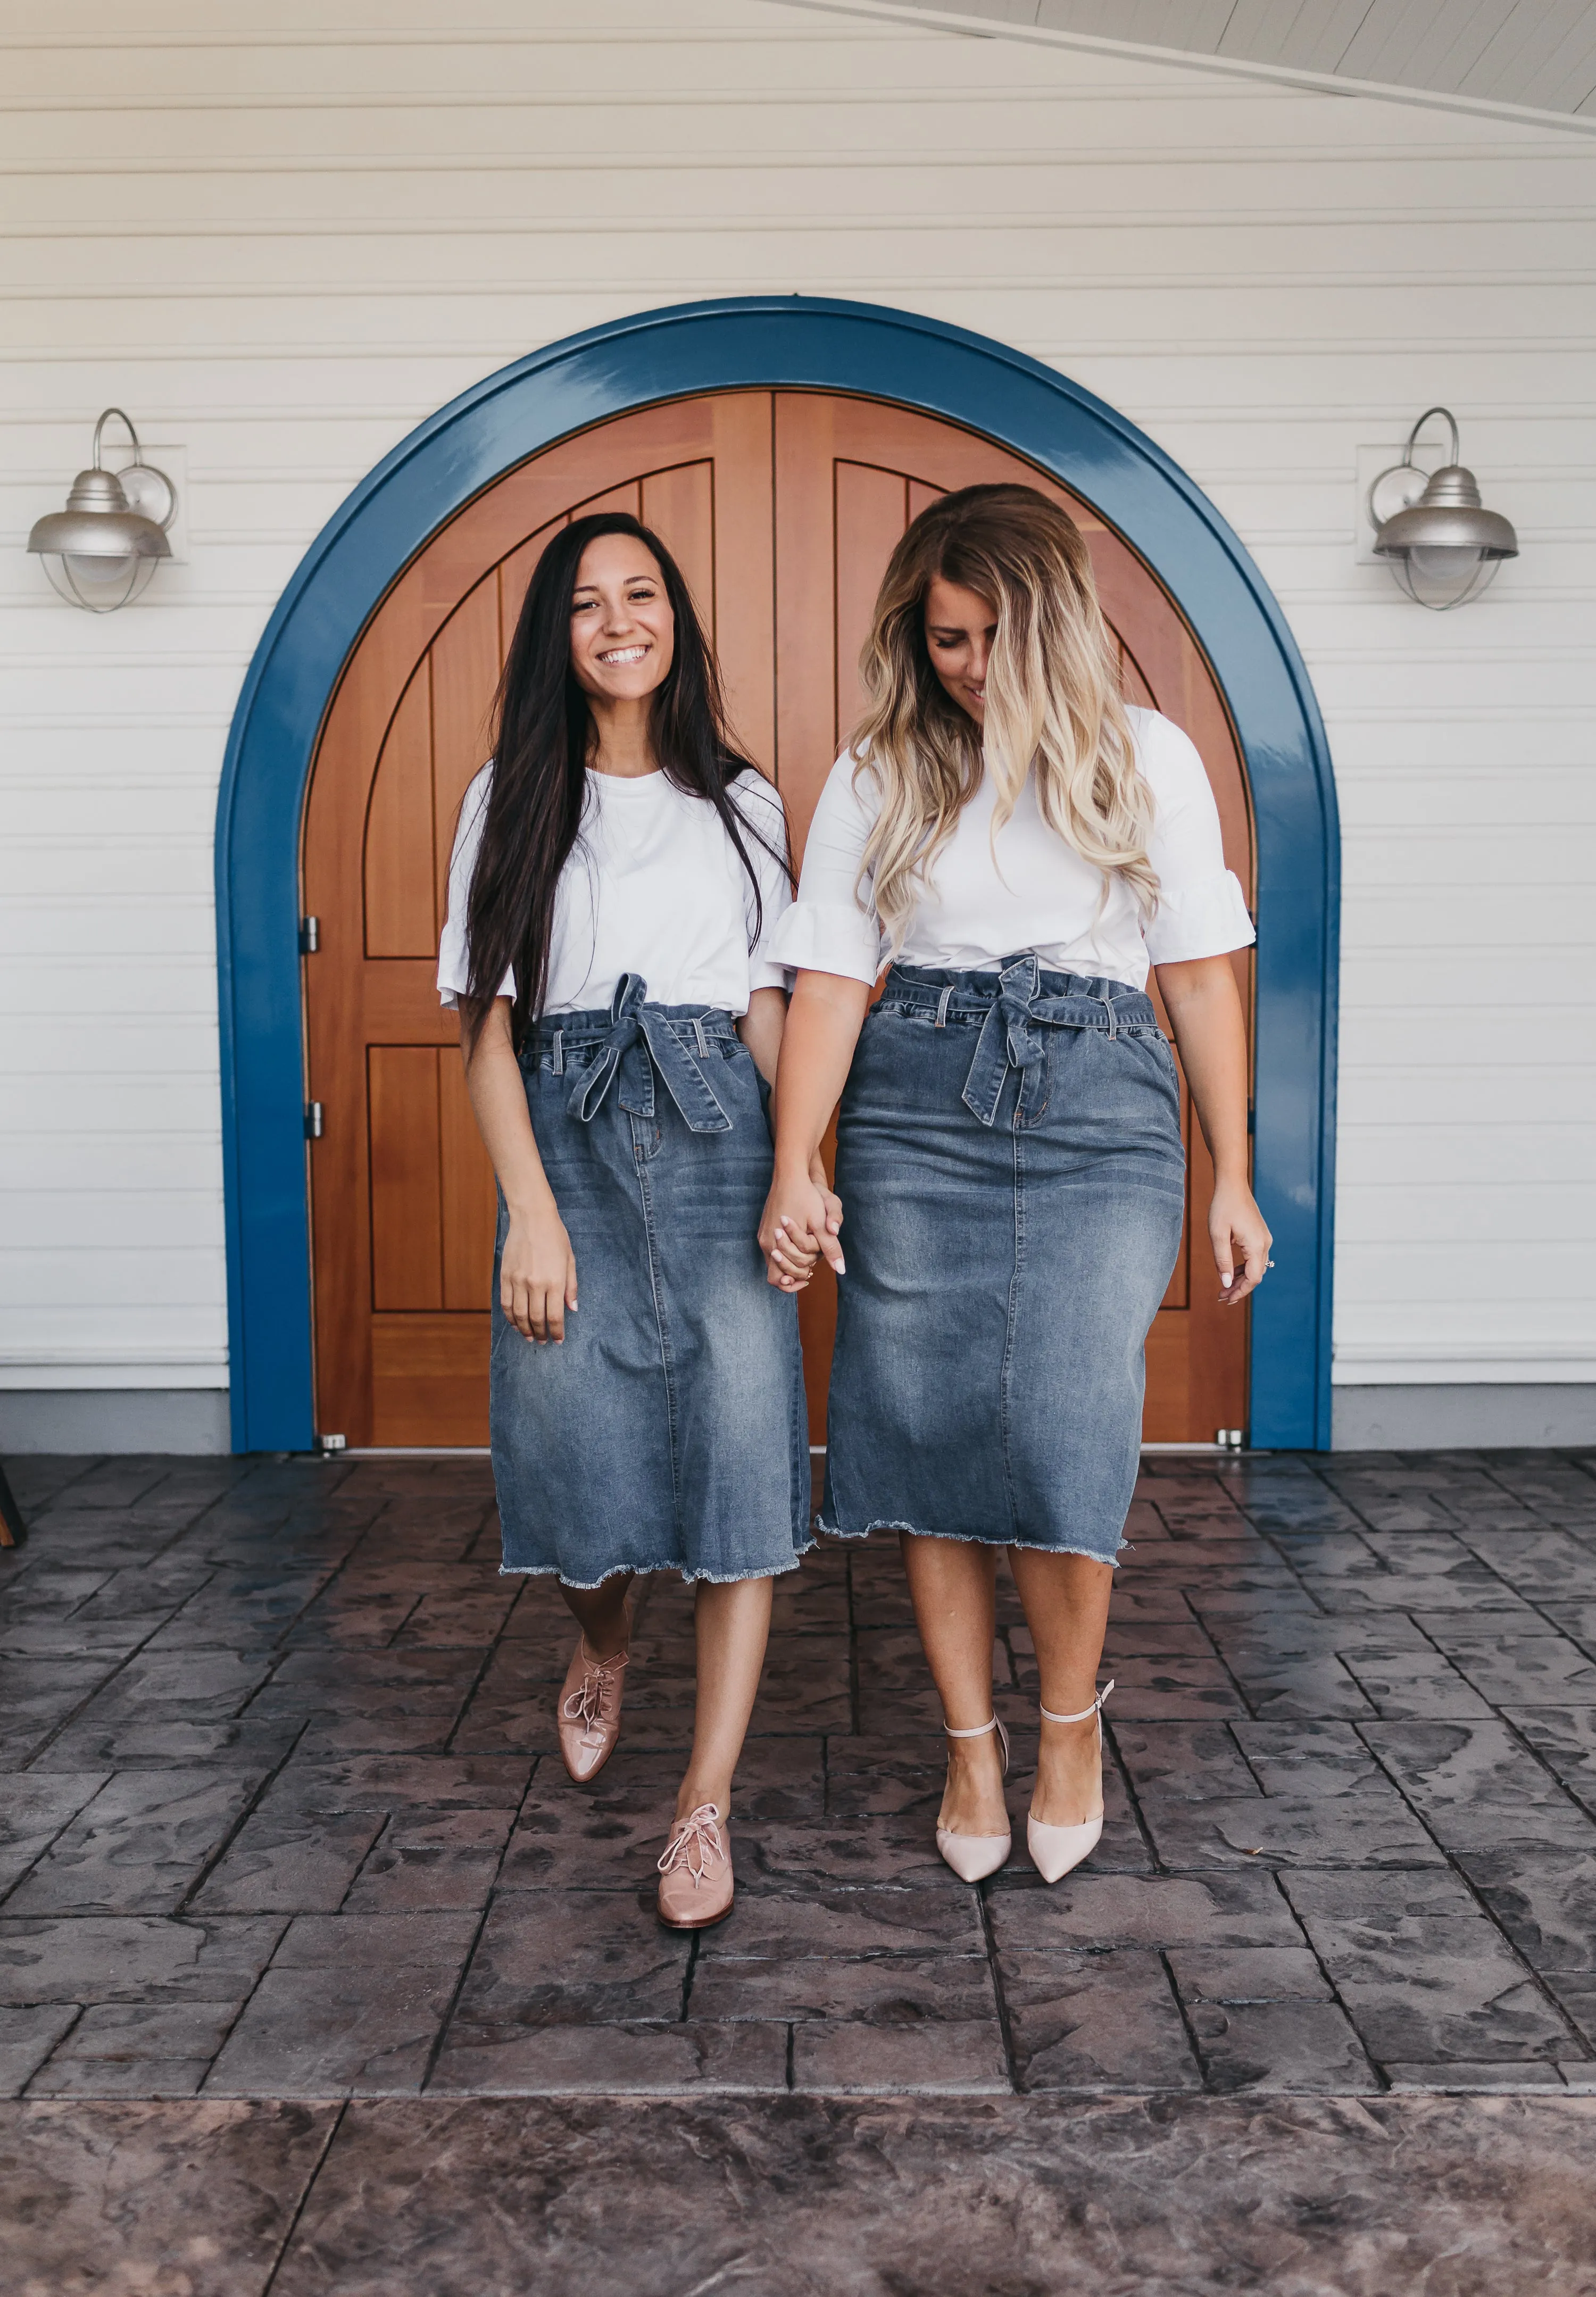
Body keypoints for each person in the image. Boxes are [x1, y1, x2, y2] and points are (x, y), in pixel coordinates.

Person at [759, 483, 1270, 1884]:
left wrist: (1237, 1173)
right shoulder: (878, 773)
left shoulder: (1148, 757)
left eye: (989, 637)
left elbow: (1201, 975)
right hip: (917, 1102)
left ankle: (1067, 1726)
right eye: (943, 640)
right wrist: (798, 1159)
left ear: (1051, 627)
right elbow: (829, 978)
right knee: (923, 1425)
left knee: (1063, 1426)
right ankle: (972, 1743)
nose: (966, 667)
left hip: (1101, 1098)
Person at [439, 510, 827, 1928]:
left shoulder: (747, 803)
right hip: (570, 1142)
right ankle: (599, 1640)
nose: (620, 618)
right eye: (590, 600)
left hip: (724, 1135)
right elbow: (485, 1030)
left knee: (741, 1470)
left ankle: (701, 1803)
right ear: (560, 631)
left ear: (676, 618)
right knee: (576, 1466)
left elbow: (773, 1008)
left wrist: (803, 1165)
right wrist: (528, 1214)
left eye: (643, 592)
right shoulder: (509, 797)